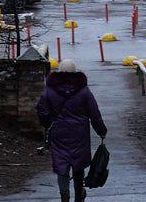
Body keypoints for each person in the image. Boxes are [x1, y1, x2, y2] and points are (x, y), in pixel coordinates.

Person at [37, 60, 107, 202]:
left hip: (59, 133)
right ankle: (79, 193)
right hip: (79, 134)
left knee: (62, 165)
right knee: (78, 164)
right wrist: (101, 130)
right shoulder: (84, 91)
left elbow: (42, 112)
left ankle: (64, 195)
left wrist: (48, 124)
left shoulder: (50, 90)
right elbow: (94, 113)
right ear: (75, 72)